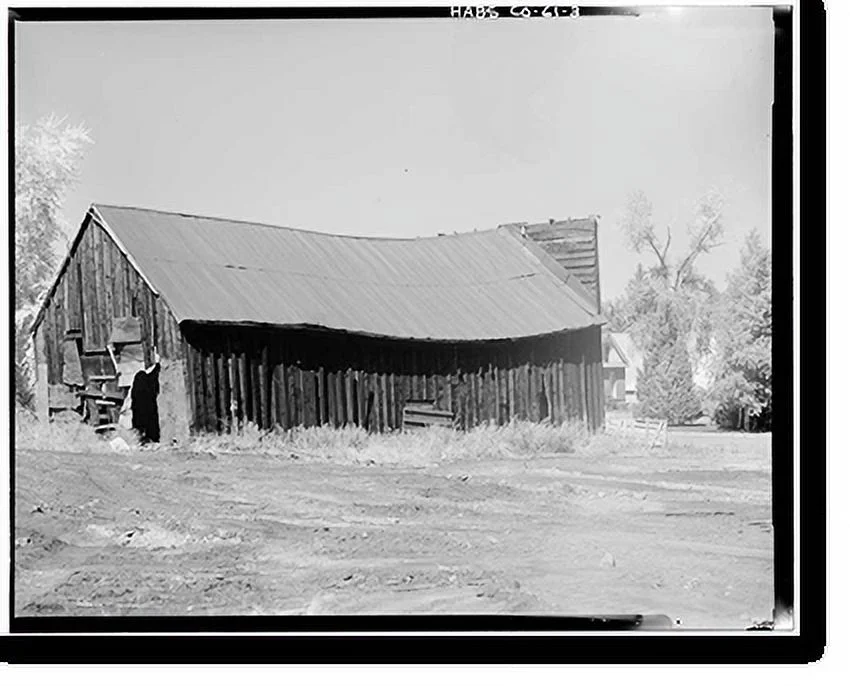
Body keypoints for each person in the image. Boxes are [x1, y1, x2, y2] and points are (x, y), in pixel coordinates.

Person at [131, 350, 161, 444]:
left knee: (141, 426)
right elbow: (153, 376)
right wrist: (158, 364)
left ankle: (142, 439)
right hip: (149, 409)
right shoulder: (146, 380)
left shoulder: (139, 380)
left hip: (139, 411)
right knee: (151, 424)